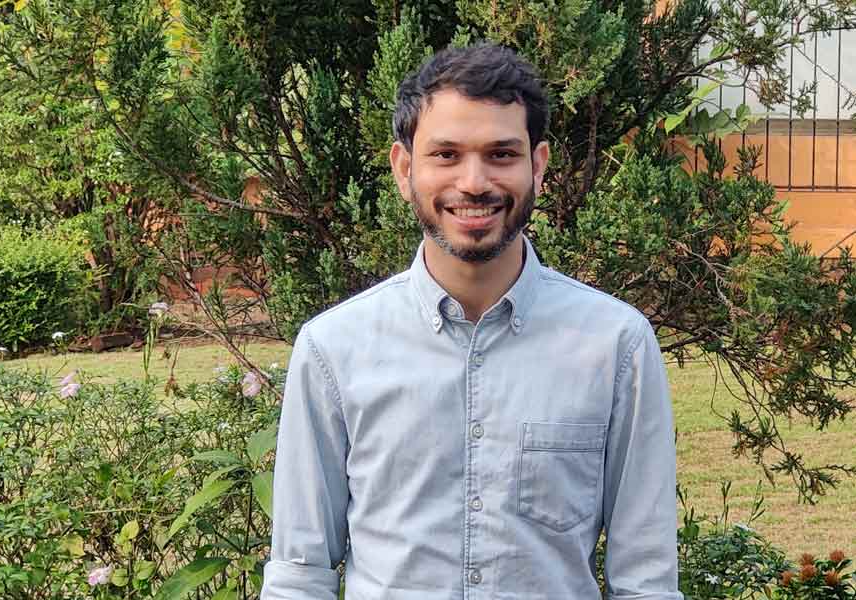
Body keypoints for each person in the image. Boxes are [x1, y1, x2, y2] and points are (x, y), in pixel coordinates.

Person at [261, 43, 681, 600]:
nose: (475, 181)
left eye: (502, 154)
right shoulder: (333, 349)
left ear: (538, 164)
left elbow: (646, 582)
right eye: (446, 155)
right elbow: (299, 572)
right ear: (404, 168)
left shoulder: (616, 346)